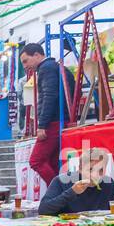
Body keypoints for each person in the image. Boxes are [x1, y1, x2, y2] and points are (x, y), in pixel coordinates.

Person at [20, 42, 76, 185]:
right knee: (51, 161)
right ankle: (58, 193)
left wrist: (42, 125)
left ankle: (57, 192)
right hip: (59, 118)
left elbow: (49, 96)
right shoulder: (54, 67)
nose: (25, 66)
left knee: (36, 160)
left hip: (53, 121)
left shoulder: (46, 68)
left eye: (26, 61)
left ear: (37, 55)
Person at [38, 147, 114, 216]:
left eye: (101, 170)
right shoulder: (61, 181)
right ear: (80, 169)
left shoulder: (108, 183)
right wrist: (72, 192)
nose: (96, 174)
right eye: (90, 169)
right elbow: (43, 210)